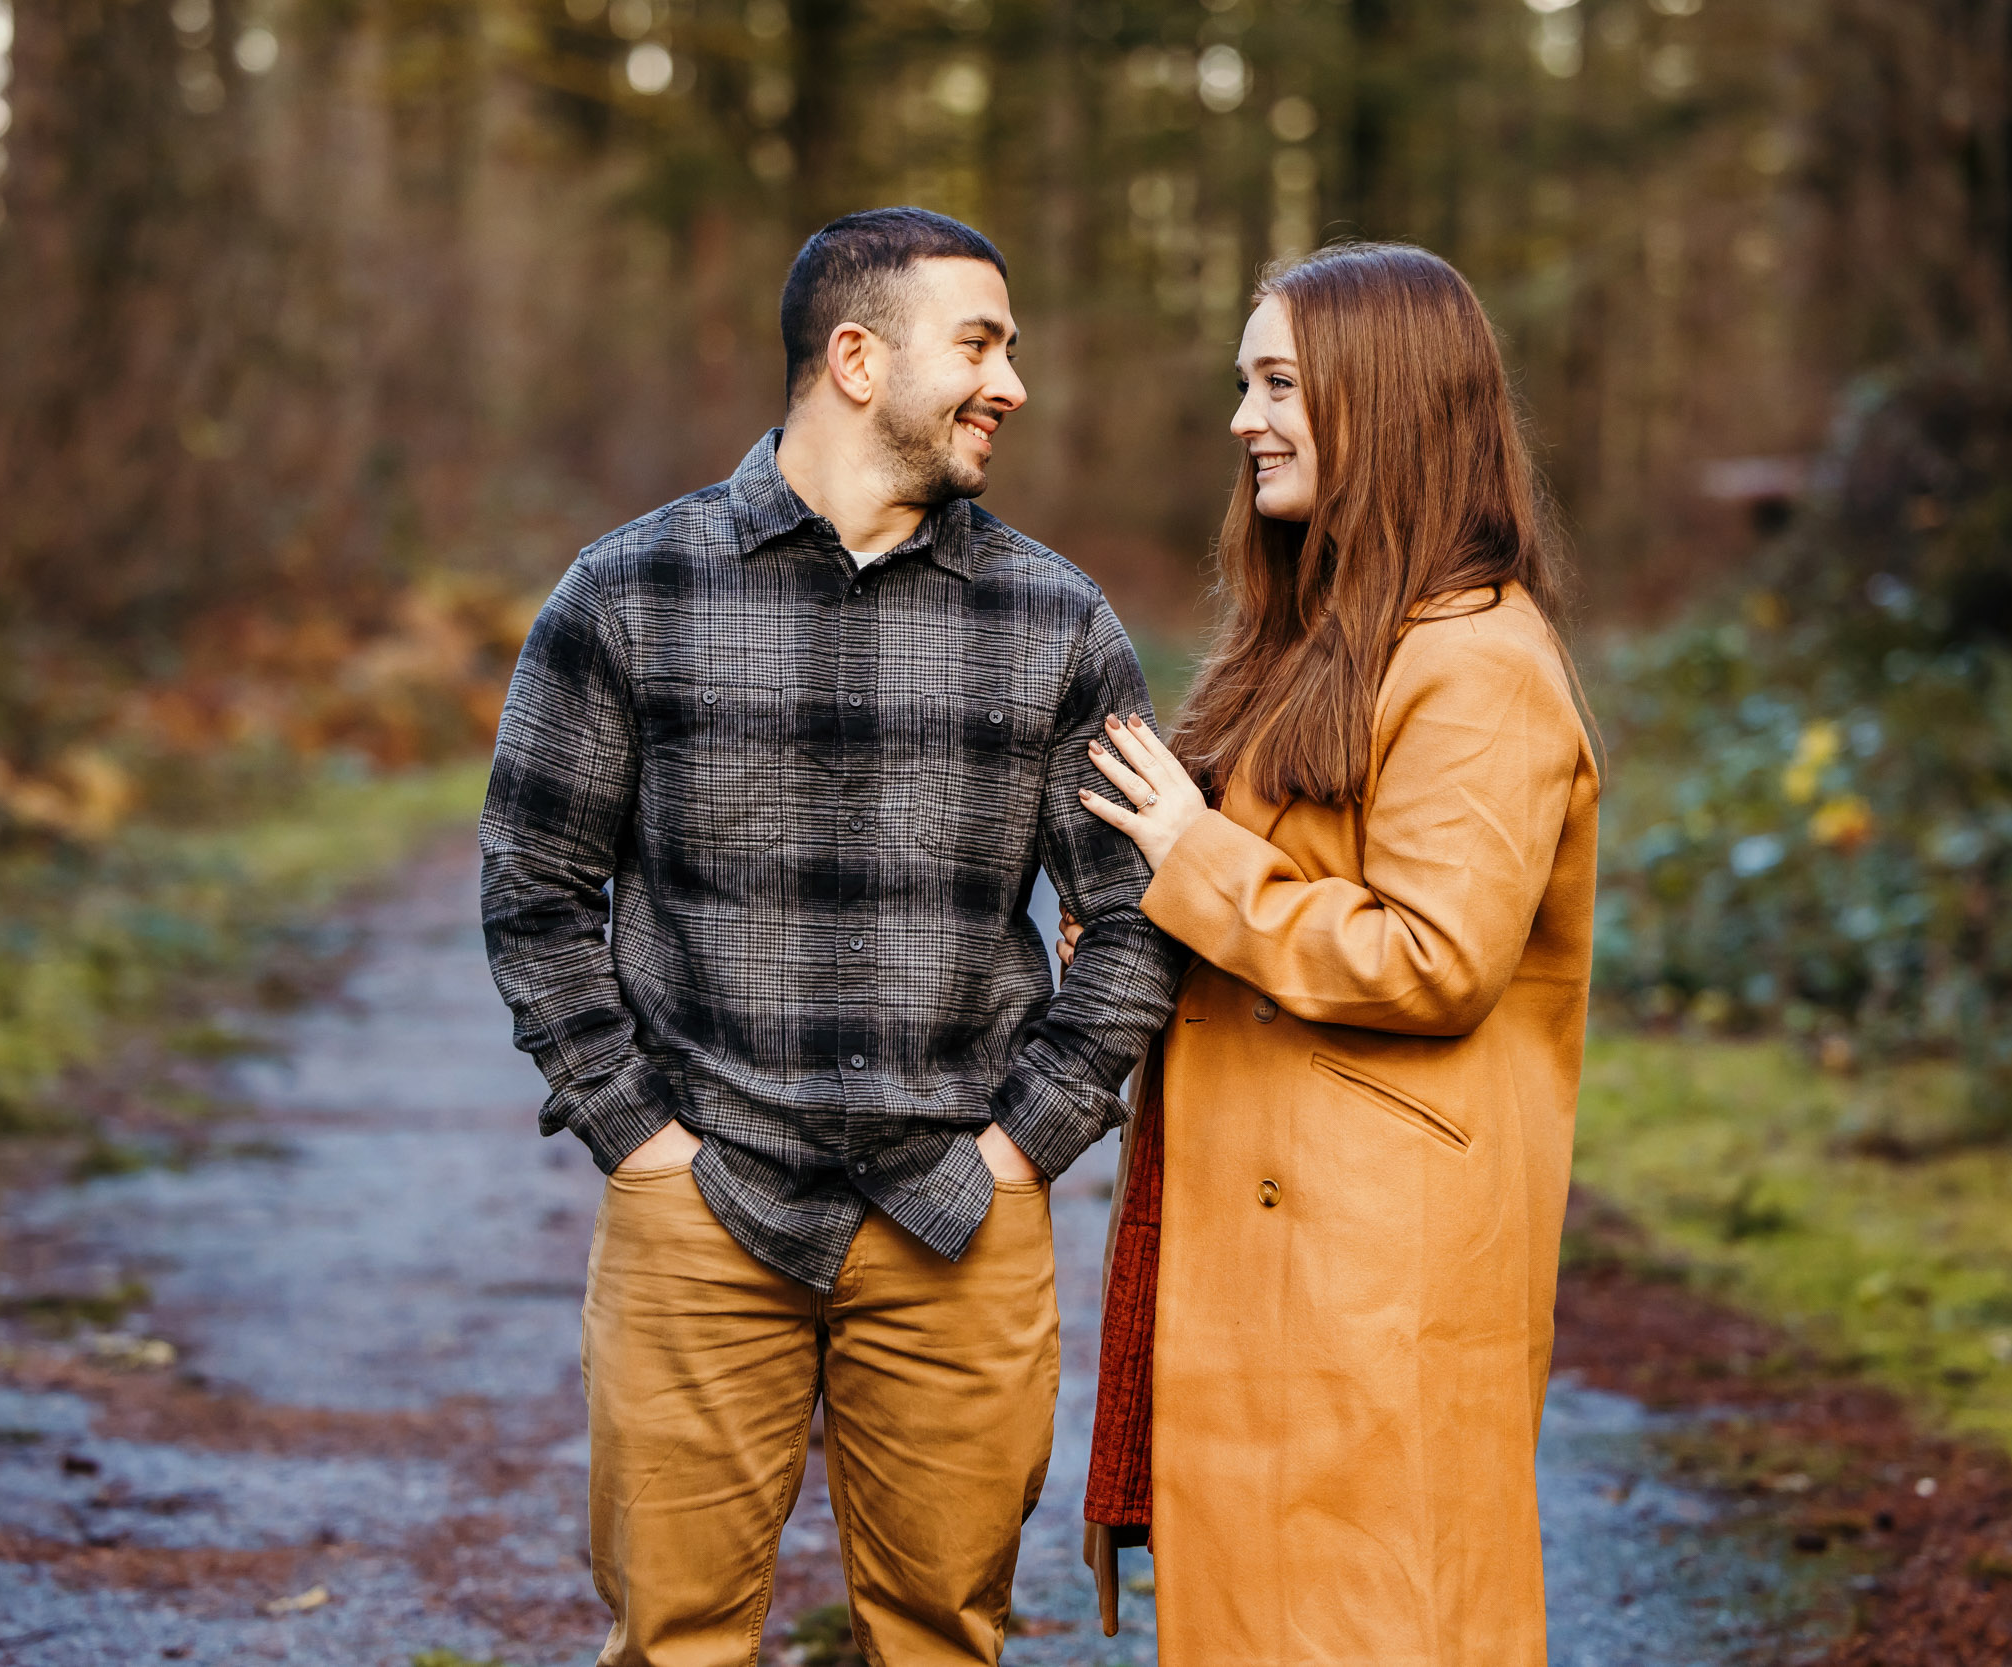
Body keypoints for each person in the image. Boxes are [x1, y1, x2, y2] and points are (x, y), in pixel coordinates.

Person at [478, 207, 1185, 1665]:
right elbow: (536, 889)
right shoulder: (628, 593)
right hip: (700, 1208)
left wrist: (1025, 1142)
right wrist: (637, 1138)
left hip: (959, 1215)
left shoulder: (1057, 619)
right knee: (676, 1640)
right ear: (856, 358)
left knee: (944, 1638)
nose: (1013, 383)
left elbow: (1132, 913)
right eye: (981, 344)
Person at [1067, 242, 1600, 1663]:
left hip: (1378, 1277)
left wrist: (1191, 858)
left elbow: (1435, 957)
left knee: (1379, 1621)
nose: (1245, 417)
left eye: (1281, 382)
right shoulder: (1322, 639)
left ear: (1391, 399)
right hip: (1277, 1261)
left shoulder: (1480, 662)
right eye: (1245, 382)